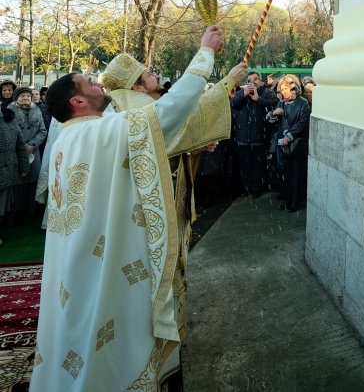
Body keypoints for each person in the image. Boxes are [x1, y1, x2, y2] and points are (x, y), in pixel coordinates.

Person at [30, 26, 247, 392]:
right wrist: (204, 54)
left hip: (80, 256)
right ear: (76, 102)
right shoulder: (95, 133)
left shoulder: (72, 139)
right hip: (106, 254)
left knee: (78, 320)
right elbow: (170, 113)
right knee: (109, 322)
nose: (102, 88)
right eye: (91, 85)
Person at [100, 51, 240, 378]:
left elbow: (166, 140)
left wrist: (193, 146)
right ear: (136, 86)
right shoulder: (132, 107)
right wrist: (229, 81)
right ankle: (153, 346)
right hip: (146, 219)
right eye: (146, 72)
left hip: (145, 213)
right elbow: (186, 117)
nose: (152, 74)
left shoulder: (128, 105)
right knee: (152, 277)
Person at [267, 75, 311, 212]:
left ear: (293, 87)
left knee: (296, 174)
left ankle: (295, 202)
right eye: (281, 88)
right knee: (285, 173)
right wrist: (274, 113)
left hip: (296, 145)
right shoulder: (281, 103)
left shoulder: (302, 103)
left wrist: (289, 136)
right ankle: (287, 199)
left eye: (286, 88)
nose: (284, 91)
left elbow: (302, 123)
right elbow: (270, 120)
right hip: (282, 145)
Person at [231, 71, 278, 198]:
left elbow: (275, 103)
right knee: (244, 165)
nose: (253, 82)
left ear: (260, 80)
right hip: (243, 137)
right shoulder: (242, 92)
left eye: (255, 79)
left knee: (259, 165)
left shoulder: (267, 92)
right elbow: (232, 103)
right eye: (250, 80)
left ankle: (257, 189)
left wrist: (258, 99)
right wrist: (243, 94)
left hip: (259, 136)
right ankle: (246, 188)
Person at [8, 87, 47, 216]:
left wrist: (32, 144)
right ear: (16, 98)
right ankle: (16, 212)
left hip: (33, 151)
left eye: (27, 96)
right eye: (22, 96)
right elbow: (7, 132)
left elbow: (43, 131)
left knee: (32, 182)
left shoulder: (37, 110)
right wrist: (22, 145)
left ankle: (30, 211)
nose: (25, 98)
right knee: (18, 182)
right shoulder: (9, 111)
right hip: (16, 151)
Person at [0, 104, 29, 244]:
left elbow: (20, 145)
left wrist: (24, 166)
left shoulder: (9, 119)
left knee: (1, 205)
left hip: (6, 170)